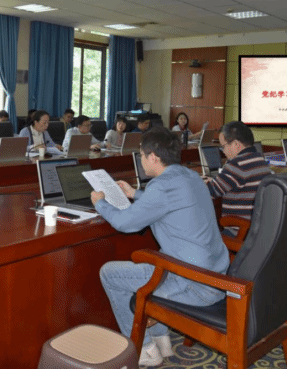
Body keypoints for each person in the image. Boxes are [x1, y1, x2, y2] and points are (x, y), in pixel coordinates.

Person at [91, 128, 229, 366]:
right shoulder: (190, 175)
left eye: (142, 155)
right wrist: (135, 193)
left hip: (193, 283)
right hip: (215, 276)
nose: (141, 159)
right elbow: (168, 202)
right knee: (154, 262)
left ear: (153, 157)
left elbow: (125, 223)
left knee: (110, 273)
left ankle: (144, 350)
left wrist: (100, 203)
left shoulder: (162, 186)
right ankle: (161, 341)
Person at [205, 121, 271, 221]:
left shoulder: (237, 165)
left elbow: (210, 192)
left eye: (223, 146)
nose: (223, 151)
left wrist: (202, 182)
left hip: (238, 227)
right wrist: (216, 181)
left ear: (236, 144)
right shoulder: (260, 160)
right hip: (256, 224)